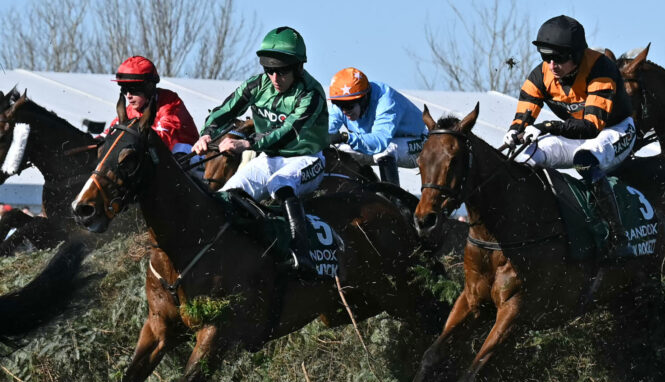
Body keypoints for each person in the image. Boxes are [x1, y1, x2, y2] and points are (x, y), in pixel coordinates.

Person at [192, 26, 328, 273]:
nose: (275, 78)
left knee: (280, 184)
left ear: (298, 67)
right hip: (271, 158)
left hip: (306, 159)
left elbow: (288, 132)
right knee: (228, 194)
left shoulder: (311, 93)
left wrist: (247, 144)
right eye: (269, 70)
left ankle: (302, 253)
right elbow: (225, 110)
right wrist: (206, 134)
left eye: (282, 71)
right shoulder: (257, 85)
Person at [503, 15, 636, 260]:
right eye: (546, 56)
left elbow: (591, 127)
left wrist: (546, 126)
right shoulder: (540, 74)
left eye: (560, 57)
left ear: (577, 54)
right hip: (572, 131)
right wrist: (515, 130)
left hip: (614, 130)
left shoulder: (601, 69)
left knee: (585, 159)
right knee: (525, 159)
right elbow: (524, 112)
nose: (552, 65)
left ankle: (618, 238)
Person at [327, 67, 427, 186]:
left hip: (418, 143)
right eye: (338, 105)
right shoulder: (342, 103)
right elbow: (324, 132)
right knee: (336, 151)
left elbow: (379, 142)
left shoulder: (386, 100)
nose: (344, 111)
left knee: (385, 150)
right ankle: (367, 189)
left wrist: (346, 137)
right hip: (378, 144)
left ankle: (393, 200)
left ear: (363, 99)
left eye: (348, 106)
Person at [105, 56, 199, 156]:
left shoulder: (170, 102)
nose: (128, 95)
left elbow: (161, 141)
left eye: (132, 89)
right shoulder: (130, 110)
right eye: (124, 90)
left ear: (148, 88)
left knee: (177, 150)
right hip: (161, 160)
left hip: (190, 156)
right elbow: (108, 135)